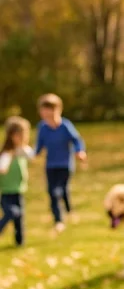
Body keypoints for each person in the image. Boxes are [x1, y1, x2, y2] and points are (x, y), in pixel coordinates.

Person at [34, 93, 86, 233]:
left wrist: (79, 152)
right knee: (53, 192)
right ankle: (59, 219)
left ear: (56, 110)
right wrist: (34, 153)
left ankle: (65, 214)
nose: (43, 113)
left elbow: (76, 140)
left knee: (60, 190)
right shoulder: (43, 127)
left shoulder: (65, 126)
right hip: (50, 165)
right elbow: (39, 144)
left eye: (47, 109)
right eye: (42, 110)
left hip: (65, 165)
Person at [0, 116, 35, 247]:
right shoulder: (7, 153)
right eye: (18, 135)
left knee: (20, 218)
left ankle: (20, 242)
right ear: (11, 136)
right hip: (7, 192)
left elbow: (33, 155)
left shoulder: (22, 151)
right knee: (13, 212)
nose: (21, 138)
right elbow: (2, 168)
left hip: (19, 190)